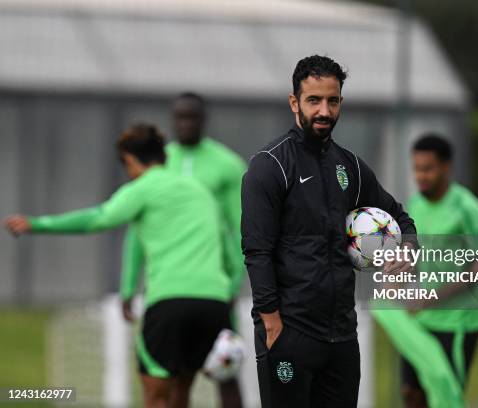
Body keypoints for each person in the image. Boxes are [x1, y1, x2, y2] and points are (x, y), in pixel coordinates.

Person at [4, 124, 239, 408]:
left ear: (129, 160)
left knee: (156, 397)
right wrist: (229, 287)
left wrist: (37, 224)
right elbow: (228, 249)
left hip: (170, 303)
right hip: (214, 304)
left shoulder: (143, 188)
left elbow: (98, 219)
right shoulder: (200, 191)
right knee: (184, 390)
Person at [241, 55, 418, 408]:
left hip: (341, 337)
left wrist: (408, 247)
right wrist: (272, 323)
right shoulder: (270, 166)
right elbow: (257, 251)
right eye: (314, 100)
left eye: (332, 100)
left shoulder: (349, 166)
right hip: (289, 333)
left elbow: (399, 216)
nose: (324, 110)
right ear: (295, 103)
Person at [121, 93, 245, 407]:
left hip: (212, 285)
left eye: (192, 117)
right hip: (168, 283)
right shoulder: (159, 164)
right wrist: (128, 285)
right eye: (180, 117)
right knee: (172, 377)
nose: (185, 124)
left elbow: (241, 230)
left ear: (204, 120)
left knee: (226, 369)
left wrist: (232, 283)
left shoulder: (227, 166)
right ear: (172, 120)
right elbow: (138, 230)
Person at [399, 134, 478, 407]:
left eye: (427, 169)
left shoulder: (467, 208)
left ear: (446, 167)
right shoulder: (415, 205)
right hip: (421, 323)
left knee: (445, 400)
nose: (421, 176)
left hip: (458, 324)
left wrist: (430, 299)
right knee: (410, 394)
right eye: (416, 168)